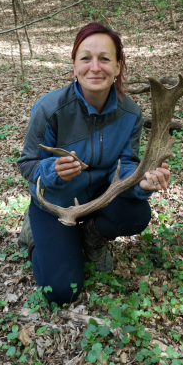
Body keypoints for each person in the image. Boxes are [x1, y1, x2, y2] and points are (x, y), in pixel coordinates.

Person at [18, 22, 170, 306]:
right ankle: (34, 235)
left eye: (105, 59)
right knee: (63, 292)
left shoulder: (130, 113)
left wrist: (142, 181)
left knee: (136, 215)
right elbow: (27, 164)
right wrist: (52, 171)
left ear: (118, 67)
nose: (95, 67)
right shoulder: (49, 109)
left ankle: (90, 237)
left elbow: (126, 165)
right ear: (74, 65)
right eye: (86, 58)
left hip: (100, 198)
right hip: (57, 205)